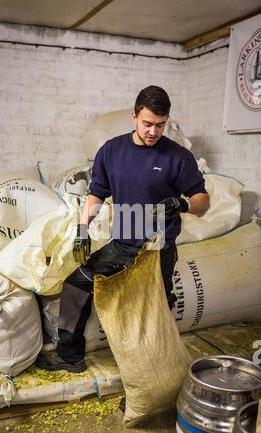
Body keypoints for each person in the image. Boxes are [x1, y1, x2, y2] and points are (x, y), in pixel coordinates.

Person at [36, 85, 210, 372]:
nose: (153, 131)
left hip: (158, 250)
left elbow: (203, 201)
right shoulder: (111, 151)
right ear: (134, 116)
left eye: (160, 125)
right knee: (77, 283)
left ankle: (152, 376)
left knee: (154, 312)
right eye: (147, 124)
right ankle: (70, 356)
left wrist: (182, 205)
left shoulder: (178, 157)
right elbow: (96, 194)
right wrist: (82, 229)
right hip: (123, 244)